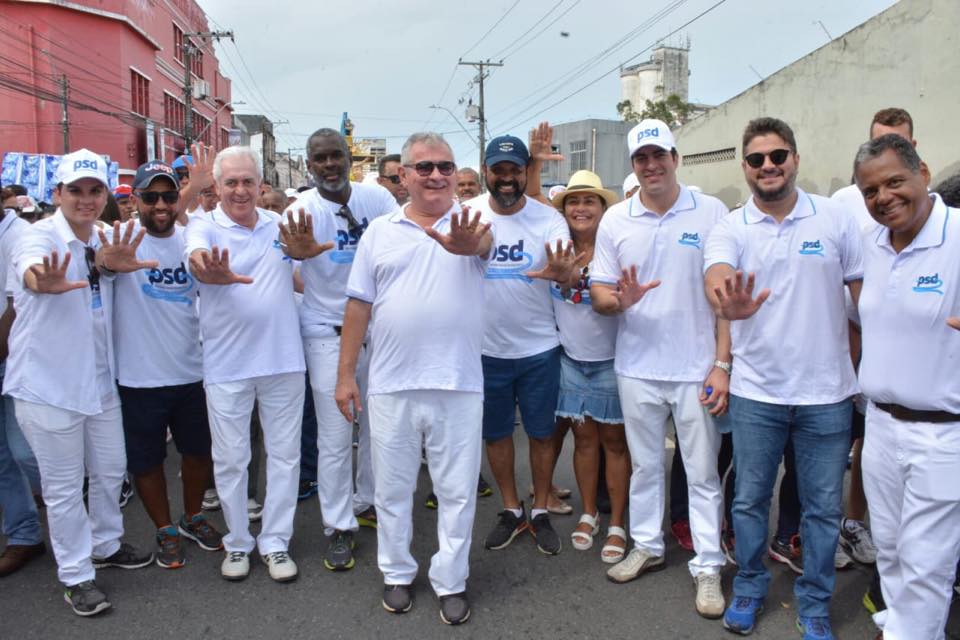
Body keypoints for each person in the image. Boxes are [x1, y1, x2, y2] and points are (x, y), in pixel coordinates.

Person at [704, 118, 863, 640]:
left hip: (827, 394)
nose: (768, 166)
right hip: (757, 393)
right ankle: (749, 587)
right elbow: (716, 278)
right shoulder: (732, 226)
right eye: (756, 159)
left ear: (795, 159)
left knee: (822, 508)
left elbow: (866, 298)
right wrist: (729, 301)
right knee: (749, 500)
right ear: (745, 168)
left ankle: (813, 602)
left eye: (777, 156)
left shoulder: (836, 218)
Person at [334, 132, 491, 625]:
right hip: (391, 384)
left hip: (459, 382)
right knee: (393, 488)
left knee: (458, 491)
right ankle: (397, 573)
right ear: (403, 176)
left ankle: (451, 580)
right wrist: (345, 377)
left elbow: (483, 244)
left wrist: (470, 244)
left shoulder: (473, 223)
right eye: (424, 167)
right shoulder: (380, 232)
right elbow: (358, 305)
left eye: (446, 165)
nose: (437, 175)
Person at [5, 148, 155, 616]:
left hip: (98, 382)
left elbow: (114, 266)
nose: (86, 200)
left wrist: (109, 266)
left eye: (95, 191)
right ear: (57, 194)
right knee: (65, 488)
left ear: (106, 195)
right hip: (49, 387)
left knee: (110, 471)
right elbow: (30, 270)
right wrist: (38, 280)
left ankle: (105, 545)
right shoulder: (36, 237)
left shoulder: (109, 236)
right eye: (76, 191)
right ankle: (76, 575)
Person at [590, 119, 729, 619]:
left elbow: (722, 298)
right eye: (641, 159)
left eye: (659, 155)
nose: (651, 166)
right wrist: (617, 301)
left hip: (695, 369)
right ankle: (648, 545)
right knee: (646, 465)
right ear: (633, 166)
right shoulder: (616, 221)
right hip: (637, 367)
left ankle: (709, 564)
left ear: (676, 157)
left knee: (702, 471)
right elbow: (601, 293)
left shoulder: (710, 211)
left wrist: (721, 364)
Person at [185, 146, 309, 583]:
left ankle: (275, 542)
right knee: (232, 459)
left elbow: (297, 274)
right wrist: (207, 271)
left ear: (261, 186)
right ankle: (238, 541)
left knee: (284, 456)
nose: (240, 190)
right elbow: (198, 261)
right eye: (231, 182)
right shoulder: (203, 225)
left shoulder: (279, 225)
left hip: (283, 361)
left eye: (248, 182)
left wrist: (307, 257)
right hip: (227, 364)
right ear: (217, 187)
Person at [853, 134, 960, 640]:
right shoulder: (873, 245)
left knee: (926, 565)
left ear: (923, 172)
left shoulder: (958, 235)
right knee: (891, 550)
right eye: (871, 191)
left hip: (942, 437)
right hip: (881, 429)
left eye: (895, 181)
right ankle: (903, 628)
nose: (884, 197)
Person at [284, 128, 394, 572]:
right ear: (309, 165)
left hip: (379, 332)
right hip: (327, 333)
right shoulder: (299, 212)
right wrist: (307, 260)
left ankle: (366, 501)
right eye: (320, 158)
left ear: (350, 159)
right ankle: (338, 525)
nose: (329, 165)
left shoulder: (378, 201)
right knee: (334, 433)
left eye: (336, 156)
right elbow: (290, 274)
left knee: (377, 428)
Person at [463, 134, 578, 556]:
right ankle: (512, 509)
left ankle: (542, 508)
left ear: (525, 172)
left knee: (542, 434)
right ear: (486, 171)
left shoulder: (547, 219)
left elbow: (566, 275)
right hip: (485, 350)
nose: (507, 179)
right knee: (495, 434)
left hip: (539, 349)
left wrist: (564, 274)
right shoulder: (468, 214)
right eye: (499, 170)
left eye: (515, 170)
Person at [113, 160, 223, 569]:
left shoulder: (191, 239)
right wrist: (107, 263)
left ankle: (192, 517)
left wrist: (195, 188)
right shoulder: (118, 238)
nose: (160, 204)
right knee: (147, 461)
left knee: (198, 452)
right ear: (135, 201)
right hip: (139, 376)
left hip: (192, 371)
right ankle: (164, 528)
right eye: (150, 196)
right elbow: (103, 261)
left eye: (168, 196)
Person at [545, 170, 630, 565]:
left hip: (613, 361)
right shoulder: (556, 248)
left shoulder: (618, 247)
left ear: (602, 207)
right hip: (571, 361)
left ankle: (618, 524)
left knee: (614, 444)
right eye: (573, 202)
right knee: (584, 443)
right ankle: (588, 514)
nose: (580, 208)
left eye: (589, 201)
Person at [0, 200, 44, 577]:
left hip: (11, 358)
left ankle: (80, 496)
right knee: (2, 459)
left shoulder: (23, 235)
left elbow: (17, 306)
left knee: (25, 452)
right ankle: (24, 534)